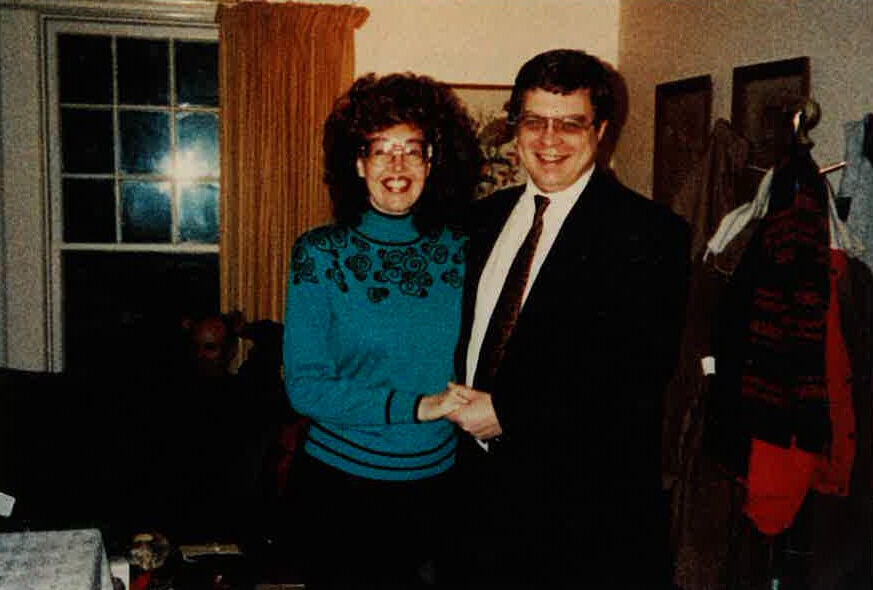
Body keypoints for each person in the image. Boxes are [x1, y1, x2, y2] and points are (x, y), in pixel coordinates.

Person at [445, 49, 692, 588]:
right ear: (515, 128)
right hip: (476, 507)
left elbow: (637, 374)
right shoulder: (478, 220)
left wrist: (510, 413)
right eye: (534, 121)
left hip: (582, 519)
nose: (549, 139)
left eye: (570, 124)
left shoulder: (650, 235)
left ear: (600, 131)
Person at [282, 72, 483, 588]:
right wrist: (417, 406)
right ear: (358, 163)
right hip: (342, 491)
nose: (397, 166)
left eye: (411, 150)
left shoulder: (466, 250)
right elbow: (305, 387)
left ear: (431, 162)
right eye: (381, 151)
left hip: (442, 485)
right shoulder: (320, 255)